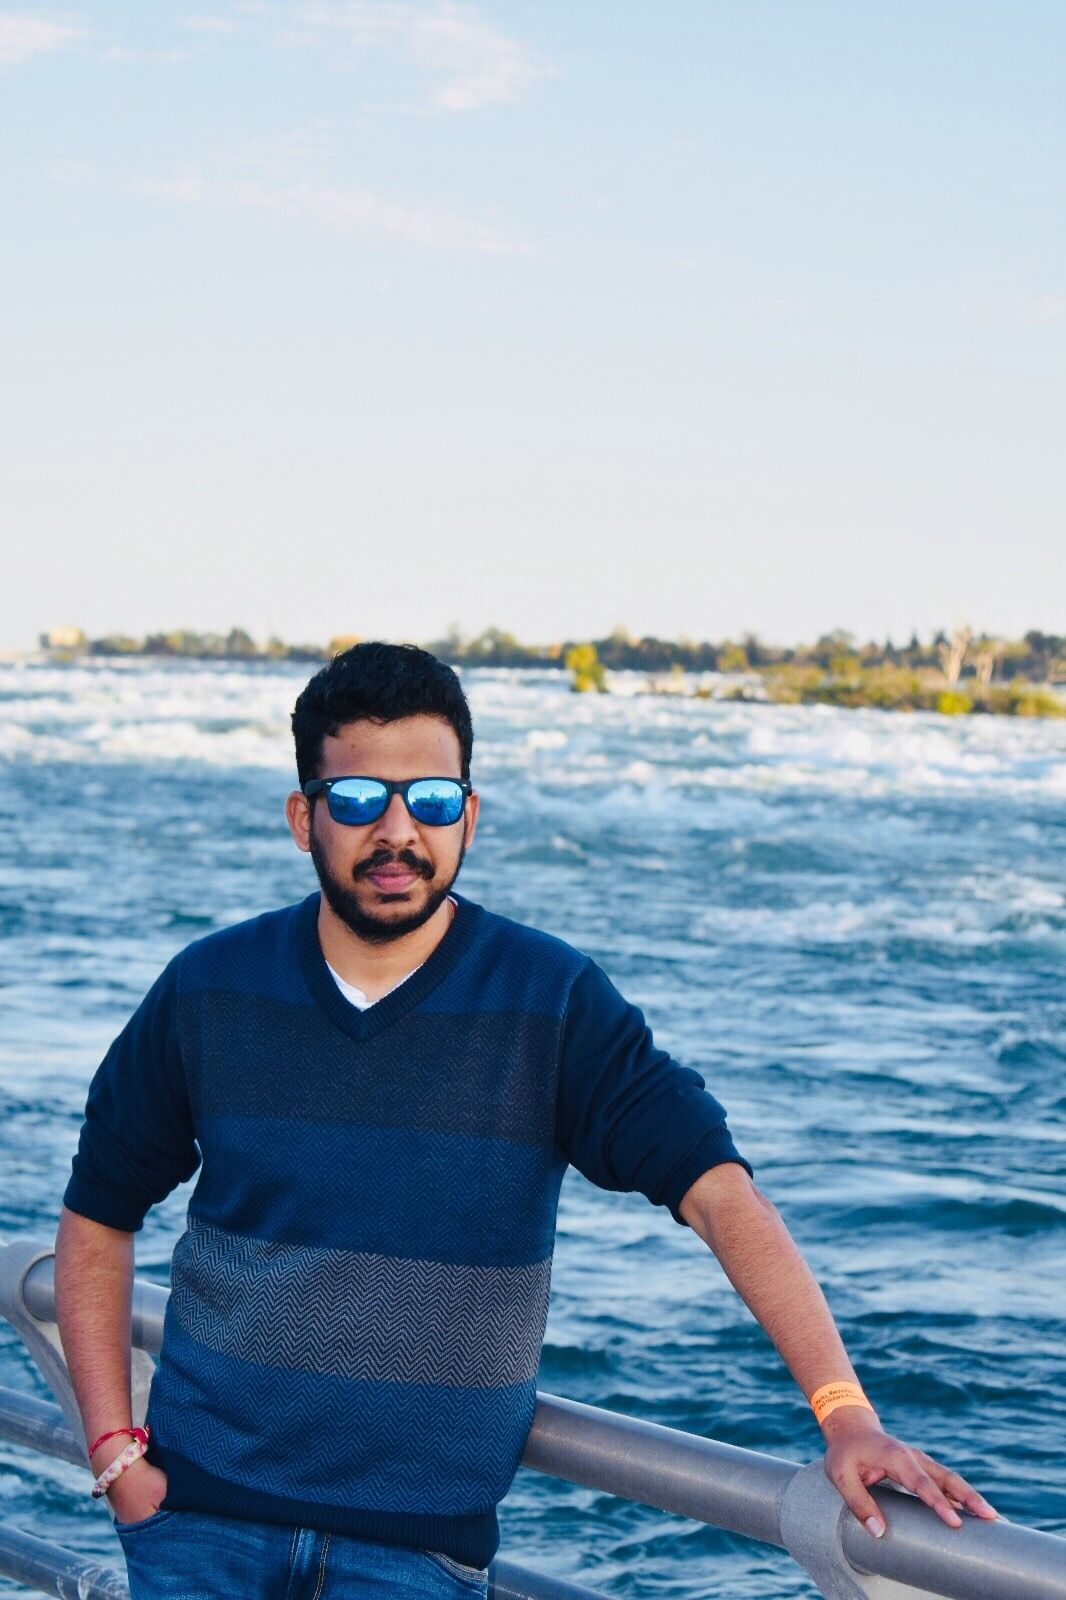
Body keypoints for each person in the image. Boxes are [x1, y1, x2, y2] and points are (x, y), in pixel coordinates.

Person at [55, 642, 996, 1599]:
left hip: (415, 1556)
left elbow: (721, 1195)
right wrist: (114, 1456)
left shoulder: (554, 1003)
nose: (396, 831)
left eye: (430, 799)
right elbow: (97, 1215)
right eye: (358, 799)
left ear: (469, 816)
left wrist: (844, 1413)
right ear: (305, 818)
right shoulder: (208, 988)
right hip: (200, 1530)